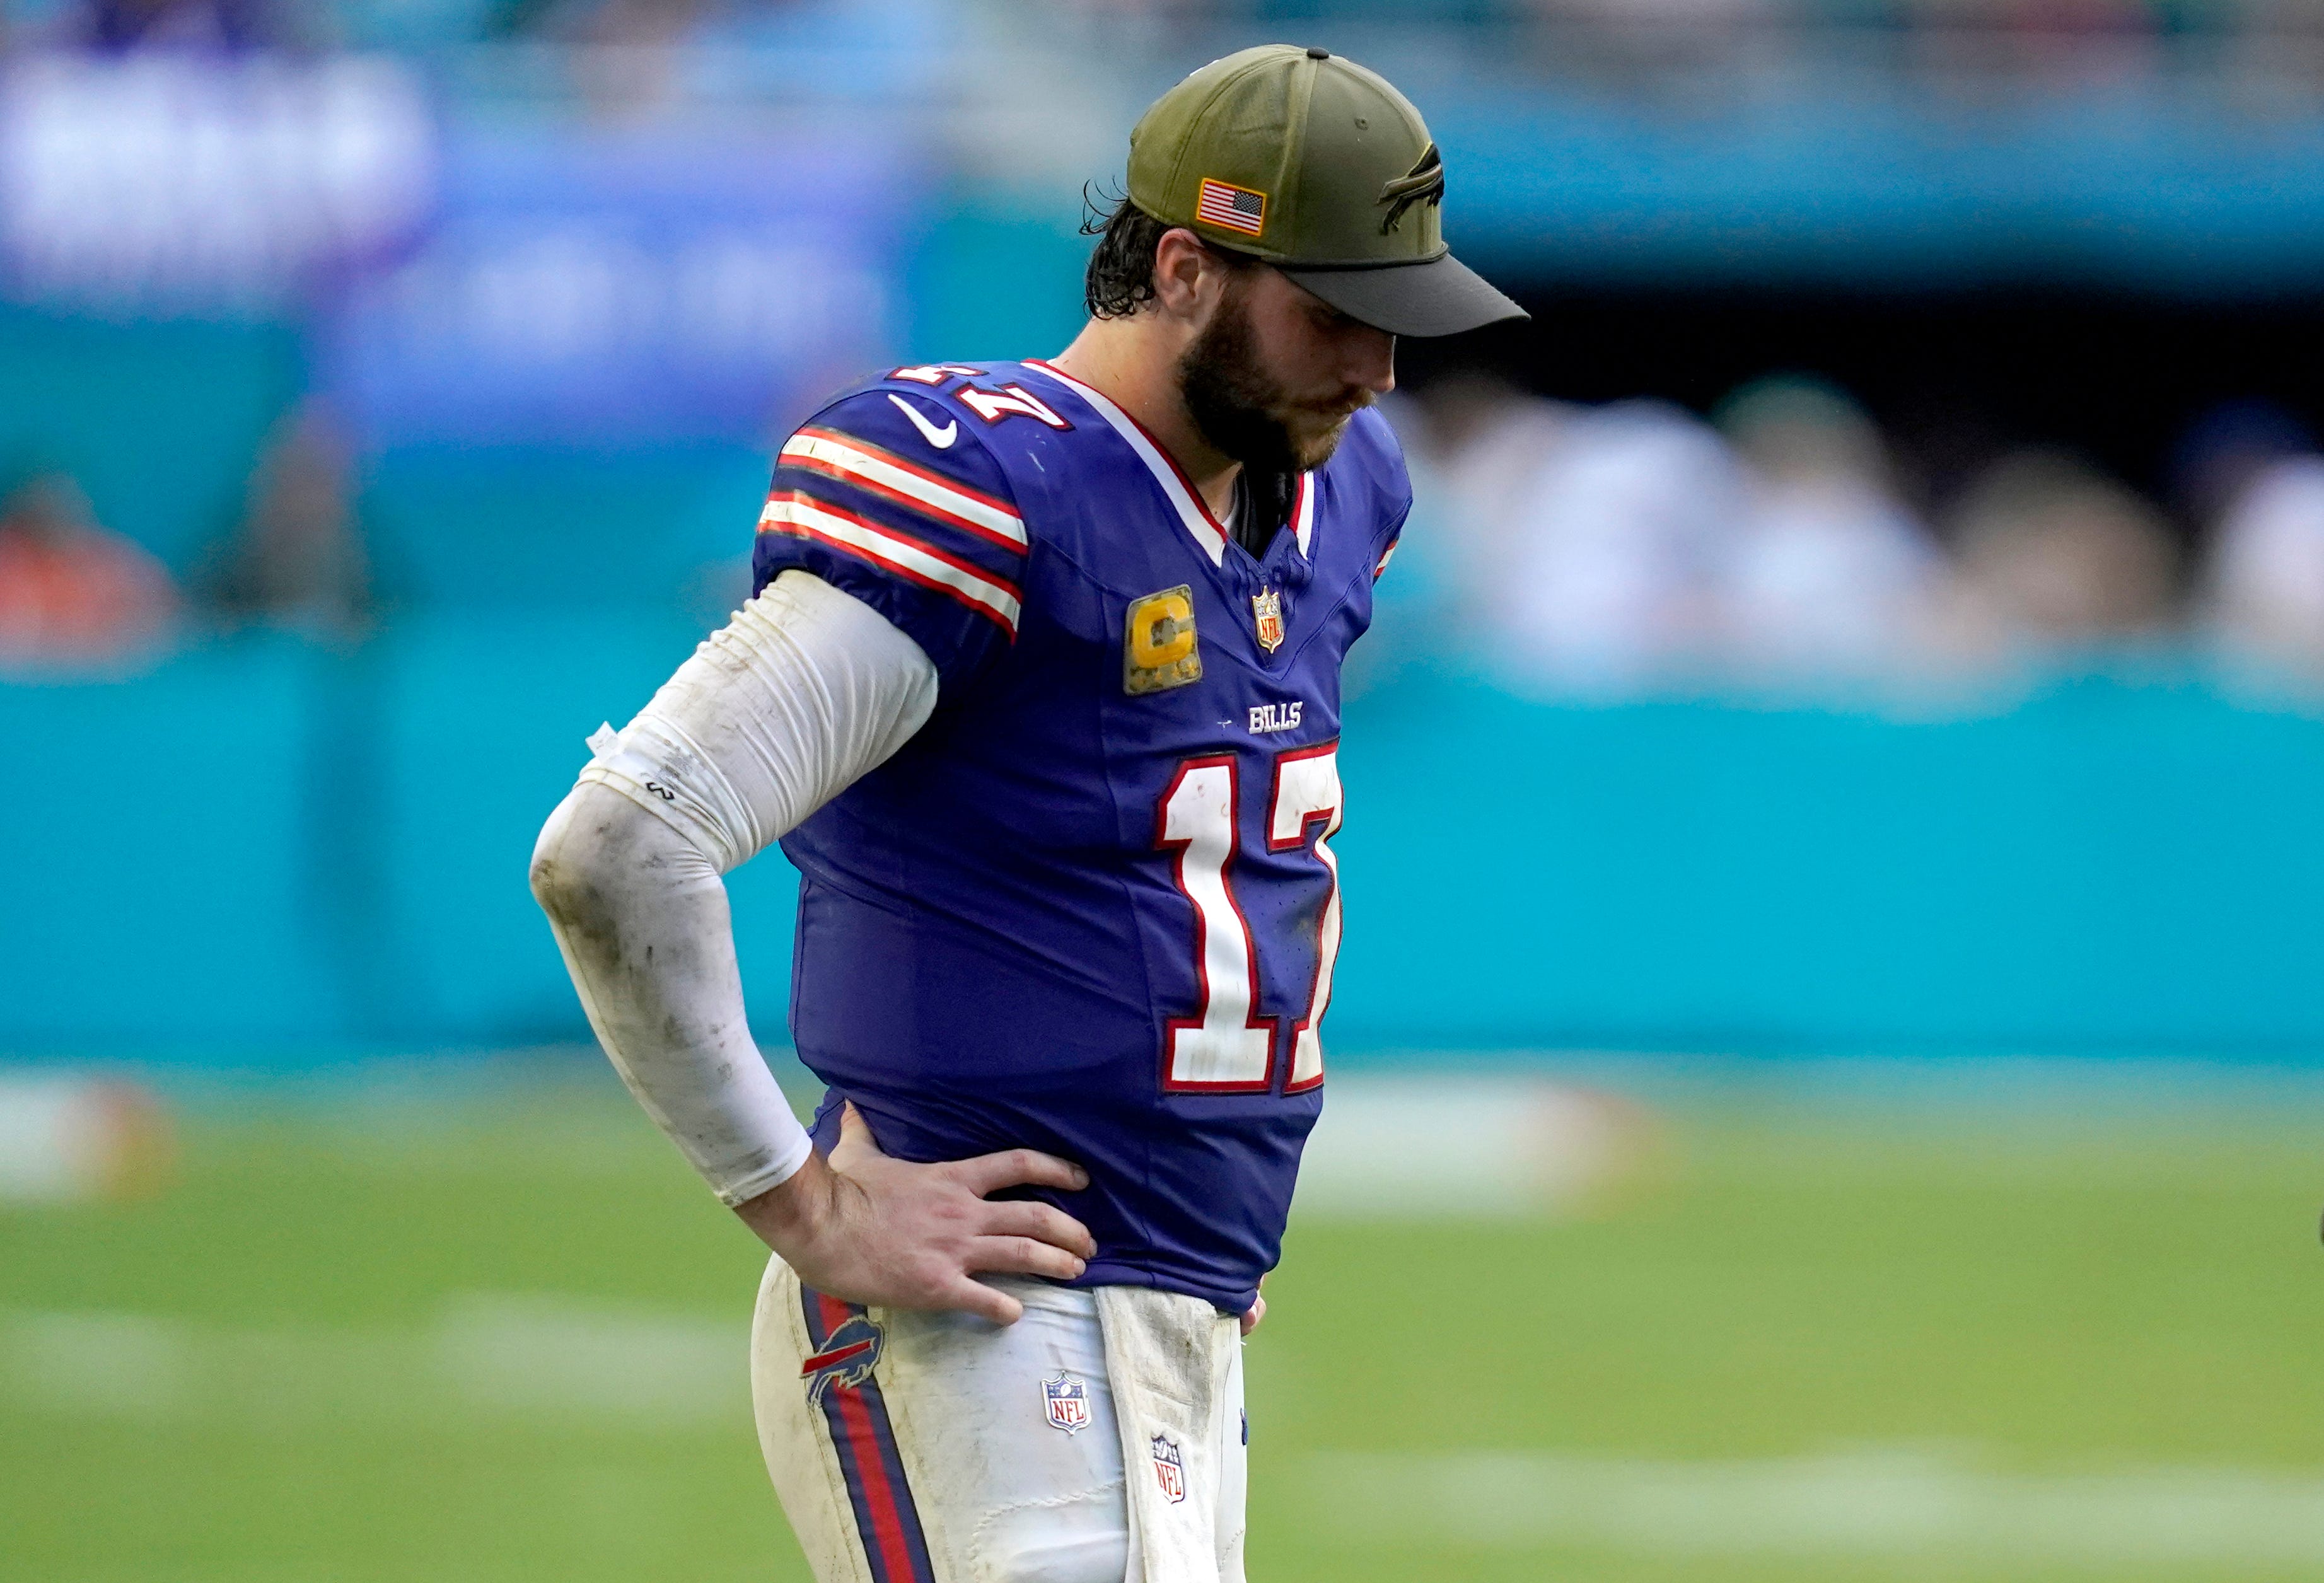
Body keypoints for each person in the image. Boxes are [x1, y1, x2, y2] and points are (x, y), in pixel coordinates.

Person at [530, 44, 1523, 1583]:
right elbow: (617, 847)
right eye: (1333, 312)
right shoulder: (990, 488)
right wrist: (802, 1205)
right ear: (1184, 267)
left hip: (1179, 1304)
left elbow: (1241, 835)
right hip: (981, 1312)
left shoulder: (1339, 489)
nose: (1376, 368)